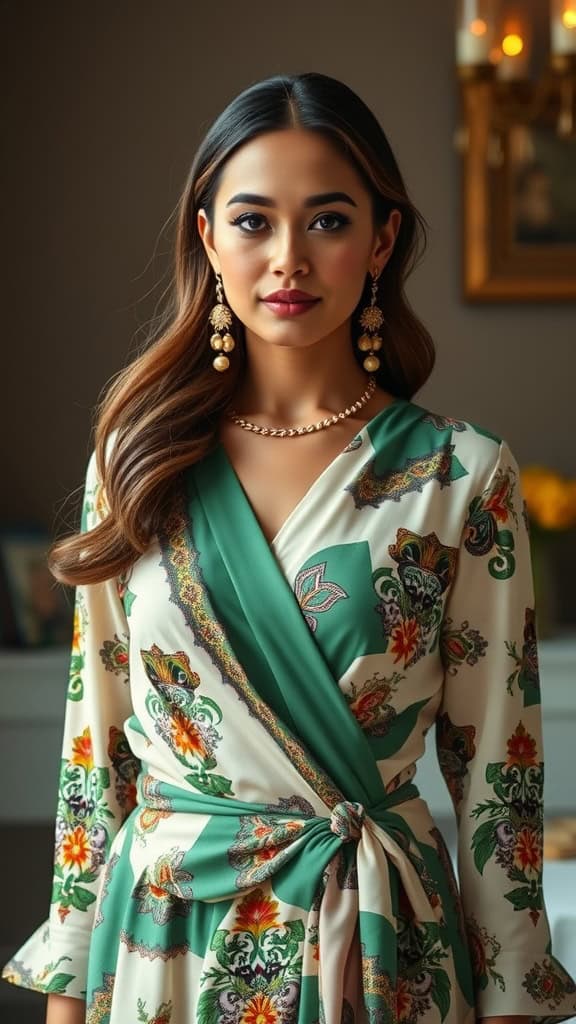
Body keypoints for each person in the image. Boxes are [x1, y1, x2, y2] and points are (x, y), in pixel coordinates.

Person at [2, 71, 575, 1024]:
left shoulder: (460, 476)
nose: (289, 260)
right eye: (255, 220)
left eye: (329, 220)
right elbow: (93, 752)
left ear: (382, 240)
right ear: (208, 236)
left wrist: (512, 999)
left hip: (380, 950)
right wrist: (68, 994)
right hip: (166, 953)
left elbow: (498, 782)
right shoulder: (136, 460)